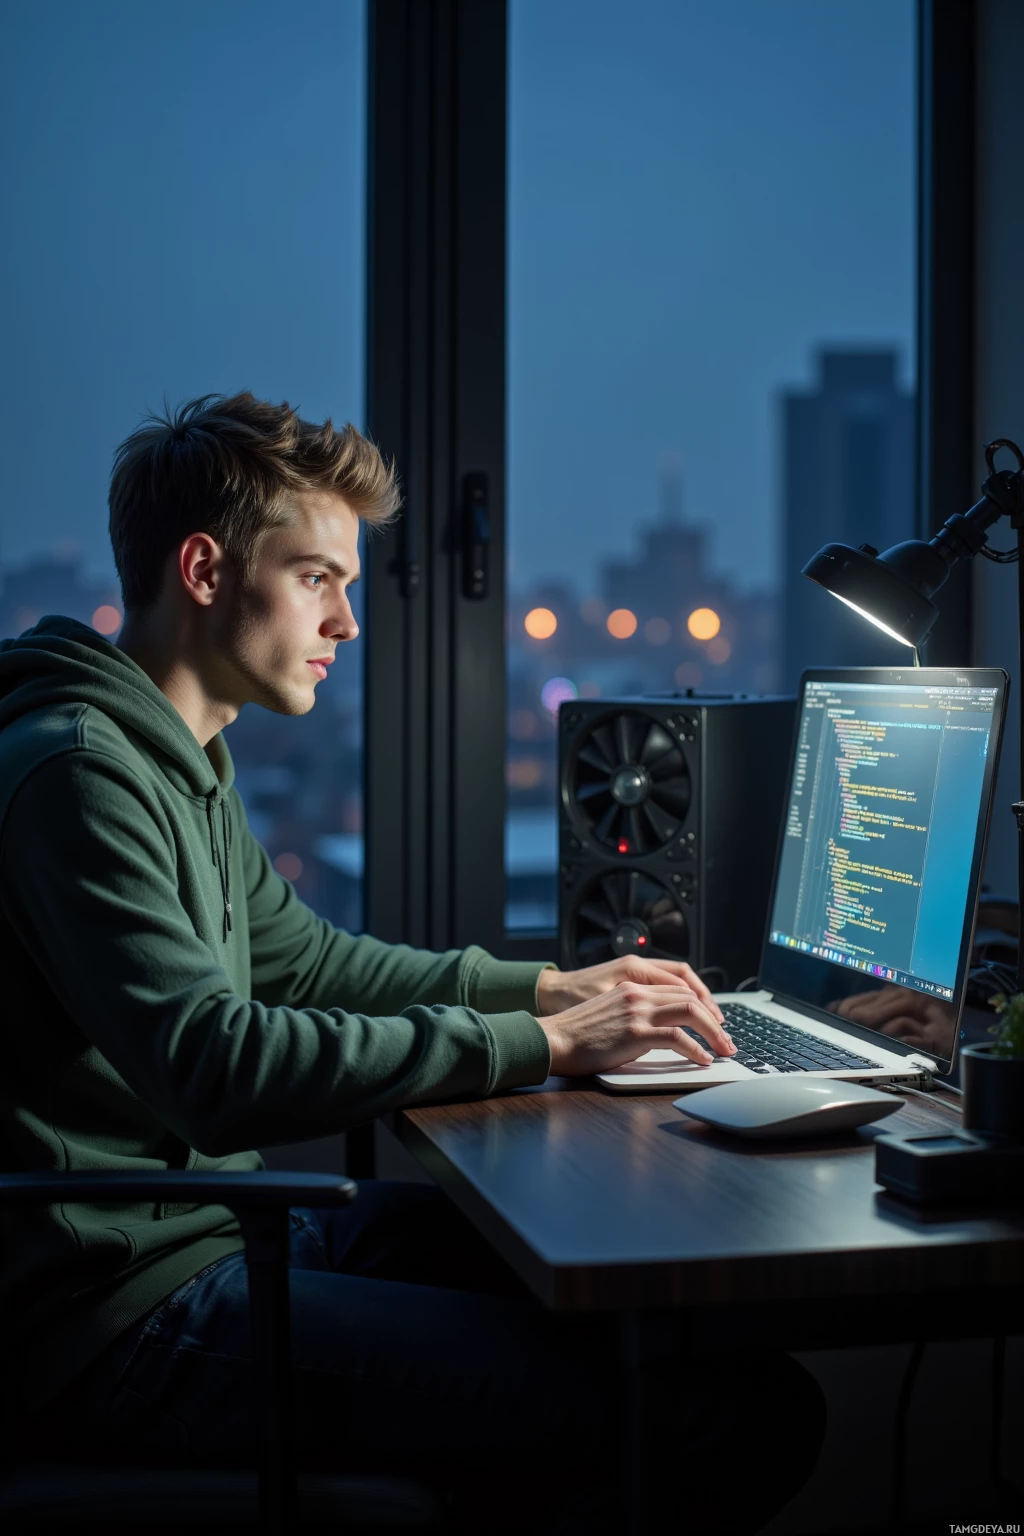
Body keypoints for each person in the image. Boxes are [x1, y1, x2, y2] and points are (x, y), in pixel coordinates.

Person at [0, 392, 824, 1532]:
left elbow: (306, 961)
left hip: (210, 1233)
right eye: (316, 579)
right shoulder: (81, 773)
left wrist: (548, 988)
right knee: (721, 1416)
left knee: (654, 1317)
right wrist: (537, 1045)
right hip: (123, 1312)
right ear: (203, 569)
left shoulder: (180, 755)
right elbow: (215, 1068)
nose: (345, 622)